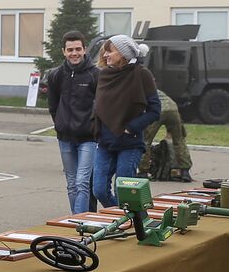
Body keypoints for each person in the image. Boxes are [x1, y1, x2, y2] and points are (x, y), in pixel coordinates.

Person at [91, 34, 161, 209]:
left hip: (129, 143)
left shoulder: (142, 74)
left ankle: (130, 222)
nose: (105, 55)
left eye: (110, 51)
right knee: (99, 190)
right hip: (105, 141)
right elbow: (100, 107)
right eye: (105, 52)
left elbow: (155, 110)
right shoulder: (105, 75)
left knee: (123, 192)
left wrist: (131, 128)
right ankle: (125, 218)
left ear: (123, 53)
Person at [44, 30, 99, 213]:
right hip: (65, 137)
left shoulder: (95, 74)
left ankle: (80, 222)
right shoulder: (56, 75)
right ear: (64, 51)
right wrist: (59, 123)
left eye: (77, 49)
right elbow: (53, 105)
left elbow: (101, 105)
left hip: (88, 138)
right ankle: (76, 219)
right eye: (70, 50)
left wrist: (94, 126)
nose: (74, 53)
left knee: (82, 181)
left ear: (84, 49)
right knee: (71, 183)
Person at [137, 91, 193, 181]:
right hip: (173, 109)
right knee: (179, 141)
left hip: (158, 110)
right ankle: (185, 172)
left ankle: (143, 171)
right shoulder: (157, 90)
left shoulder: (140, 89)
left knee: (146, 141)